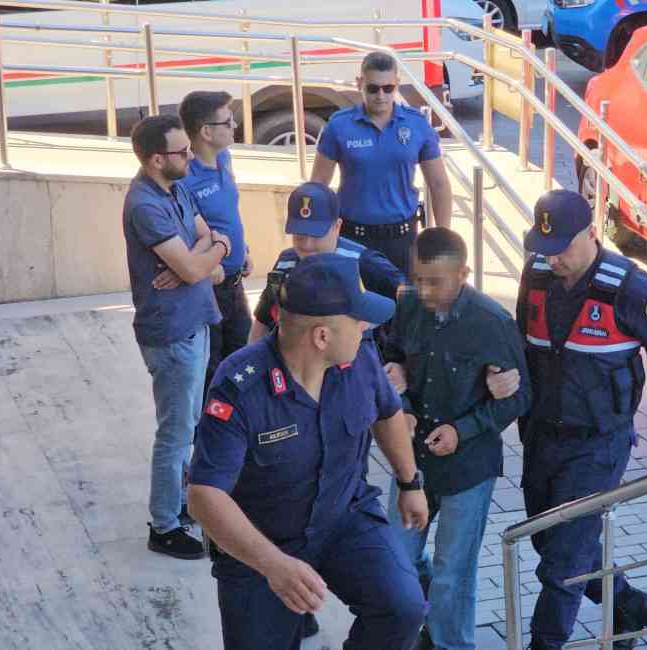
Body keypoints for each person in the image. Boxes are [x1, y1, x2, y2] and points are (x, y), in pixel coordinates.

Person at [187, 253, 430, 650]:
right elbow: (203, 495)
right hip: (262, 544)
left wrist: (409, 482)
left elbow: (388, 412)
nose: (366, 326)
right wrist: (272, 564)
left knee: (403, 608)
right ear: (322, 337)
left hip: (343, 517)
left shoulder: (359, 356)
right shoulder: (240, 386)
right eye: (357, 319)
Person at [511, 189, 647, 650]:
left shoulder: (630, 289)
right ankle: (629, 604)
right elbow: (520, 340)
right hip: (541, 436)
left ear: (591, 233)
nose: (552, 258)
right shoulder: (537, 273)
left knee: (563, 566)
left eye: (562, 247)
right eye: (544, 247)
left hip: (598, 444)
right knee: (549, 540)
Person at [381, 227, 531, 650]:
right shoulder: (408, 304)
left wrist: (462, 431)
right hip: (413, 462)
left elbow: (520, 397)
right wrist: (403, 405)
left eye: (436, 282)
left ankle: (450, 643)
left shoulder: (492, 322)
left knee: (454, 573)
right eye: (419, 279)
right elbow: (391, 356)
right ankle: (429, 617)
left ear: (463, 274)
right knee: (397, 560)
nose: (426, 291)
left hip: (468, 467)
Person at [122, 114, 227, 559]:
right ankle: (164, 524)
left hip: (194, 322)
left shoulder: (176, 187)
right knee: (176, 432)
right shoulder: (145, 205)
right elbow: (198, 262)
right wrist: (205, 259)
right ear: (155, 160)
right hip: (171, 334)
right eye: (181, 152)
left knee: (188, 424)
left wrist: (200, 259)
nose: (190, 157)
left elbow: (205, 244)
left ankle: (183, 503)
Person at [310, 51, 453, 275]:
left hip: (403, 241)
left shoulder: (417, 125)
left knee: (404, 298)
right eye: (372, 88)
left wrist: (443, 237)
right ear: (359, 84)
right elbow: (318, 186)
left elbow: (439, 184)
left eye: (388, 88)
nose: (381, 95)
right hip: (352, 240)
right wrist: (314, 236)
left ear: (397, 84)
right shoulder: (339, 126)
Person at [249, 181, 406, 346]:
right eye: (299, 236)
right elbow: (262, 321)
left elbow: (411, 299)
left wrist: (396, 355)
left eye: (317, 235)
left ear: (337, 227)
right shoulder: (285, 262)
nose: (307, 245)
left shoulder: (364, 262)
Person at [176, 90, 254, 393]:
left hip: (235, 283)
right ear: (206, 132)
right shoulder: (185, 177)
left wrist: (244, 249)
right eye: (227, 121)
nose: (234, 125)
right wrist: (209, 263)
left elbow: (228, 213)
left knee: (244, 360)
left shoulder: (224, 158)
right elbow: (184, 235)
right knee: (213, 370)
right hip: (209, 290)